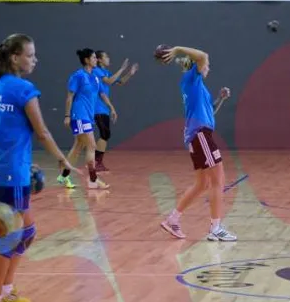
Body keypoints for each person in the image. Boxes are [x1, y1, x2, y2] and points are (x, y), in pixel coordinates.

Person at [0, 33, 77, 302]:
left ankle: (6, 290)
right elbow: (42, 132)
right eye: (30, 55)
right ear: (15, 58)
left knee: (27, 232)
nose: (35, 60)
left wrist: (23, 163)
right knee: (10, 237)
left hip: (1, 170)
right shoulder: (24, 89)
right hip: (10, 175)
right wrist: (62, 160)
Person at [156, 45, 236, 241]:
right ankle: (215, 228)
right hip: (200, 135)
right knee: (218, 180)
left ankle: (173, 219)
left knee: (202, 184)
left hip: (198, 135)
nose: (208, 66)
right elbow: (203, 55)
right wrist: (177, 49)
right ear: (195, 65)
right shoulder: (191, 78)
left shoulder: (198, 86)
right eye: (206, 65)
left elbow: (210, 111)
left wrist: (220, 99)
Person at [60, 48, 108, 190]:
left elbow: (100, 94)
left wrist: (109, 107)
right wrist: (67, 115)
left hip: (88, 116)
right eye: (93, 57)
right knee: (91, 146)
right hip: (79, 115)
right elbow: (69, 97)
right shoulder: (78, 76)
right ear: (86, 60)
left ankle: (63, 176)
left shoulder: (95, 77)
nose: (96, 60)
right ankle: (93, 179)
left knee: (78, 147)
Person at [92, 50, 137, 173]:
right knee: (104, 134)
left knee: (105, 134)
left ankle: (96, 162)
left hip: (104, 108)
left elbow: (120, 82)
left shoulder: (106, 72)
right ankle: (96, 162)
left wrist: (130, 73)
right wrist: (122, 69)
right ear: (99, 59)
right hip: (97, 108)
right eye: (106, 56)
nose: (108, 58)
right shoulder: (97, 71)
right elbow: (109, 81)